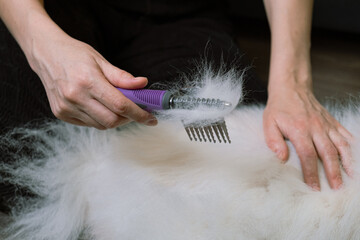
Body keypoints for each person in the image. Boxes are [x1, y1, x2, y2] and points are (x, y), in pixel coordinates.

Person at [0, 0, 353, 213]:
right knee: (29, 171)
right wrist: (41, 46)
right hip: (46, 12)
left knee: (244, 174)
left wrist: (292, 81)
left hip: (180, 17)